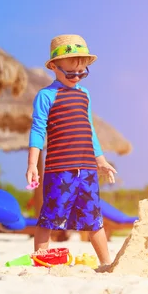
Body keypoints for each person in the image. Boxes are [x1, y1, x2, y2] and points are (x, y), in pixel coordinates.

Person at [26, 34, 117, 267]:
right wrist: (32, 165)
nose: (77, 77)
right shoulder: (46, 96)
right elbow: (37, 130)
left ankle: (106, 263)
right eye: (71, 73)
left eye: (82, 73)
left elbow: (90, 130)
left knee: (93, 218)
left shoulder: (84, 95)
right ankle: (41, 260)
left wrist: (101, 160)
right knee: (50, 216)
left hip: (86, 169)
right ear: (55, 67)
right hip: (60, 169)